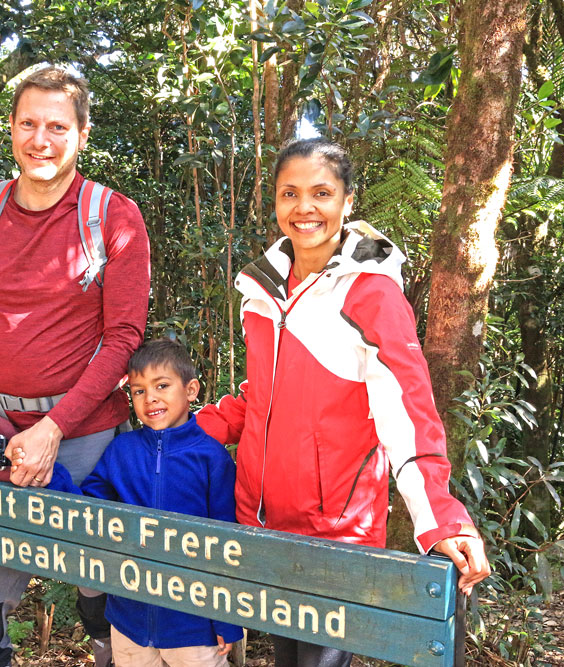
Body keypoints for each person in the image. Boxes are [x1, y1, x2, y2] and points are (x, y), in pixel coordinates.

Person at [196, 137, 491, 667]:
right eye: (290, 193)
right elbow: (260, 394)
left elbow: (408, 412)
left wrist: (441, 519)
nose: (304, 208)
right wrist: (187, 435)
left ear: (347, 201)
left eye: (321, 192)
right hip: (257, 521)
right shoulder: (260, 290)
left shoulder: (372, 294)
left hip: (335, 531)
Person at [0, 66, 150, 667]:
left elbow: (124, 335)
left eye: (57, 126)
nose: (40, 140)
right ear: (12, 128)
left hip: (88, 438)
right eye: (28, 123)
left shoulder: (114, 217)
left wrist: (56, 427)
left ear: (82, 134)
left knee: (106, 604)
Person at [75, 339, 244, 667]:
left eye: (162, 386)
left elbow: (228, 544)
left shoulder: (211, 458)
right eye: (138, 391)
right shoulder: (121, 451)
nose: (150, 398)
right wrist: (49, 474)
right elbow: (88, 511)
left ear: (191, 389)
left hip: (194, 625)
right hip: (129, 620)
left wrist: (226, 620)